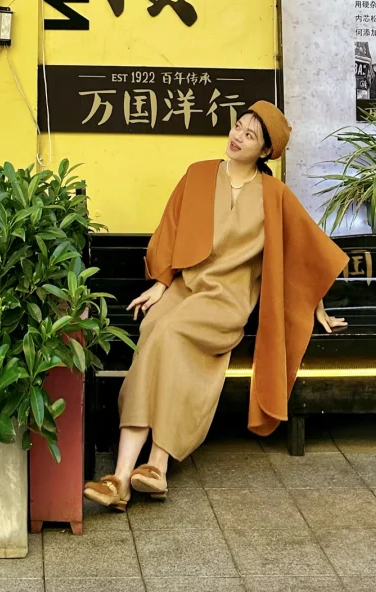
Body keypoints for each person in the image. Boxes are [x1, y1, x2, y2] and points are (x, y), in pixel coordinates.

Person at [84, 100, 348, 510]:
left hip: (227, 300)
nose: (237, 137)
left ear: (265, 151)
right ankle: (120, 478)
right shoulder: (199, 174)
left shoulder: (274, 195)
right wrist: (161, 283)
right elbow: (170, 230)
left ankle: (157, 462)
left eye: (249, 135)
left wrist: (317, 306)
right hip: (184, 288)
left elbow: (307, 252)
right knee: (153, 330)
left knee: (168, 335)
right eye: (238, 126)